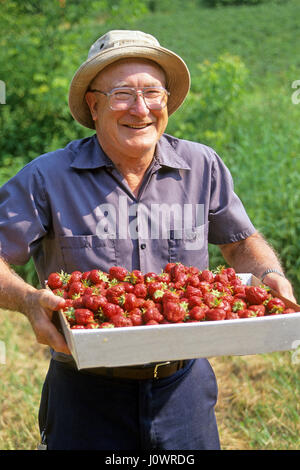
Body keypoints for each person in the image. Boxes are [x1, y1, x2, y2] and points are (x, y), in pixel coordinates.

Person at [0, 30, 295, 451]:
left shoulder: (202, 165)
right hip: (85, 396)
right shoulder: (46, 178)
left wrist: (268, 274)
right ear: (94, 103)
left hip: (184, 390)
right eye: (122, 94)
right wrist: (29, 299)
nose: (140, 109)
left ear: (166, 102)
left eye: (153, 93)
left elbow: (240, 242)